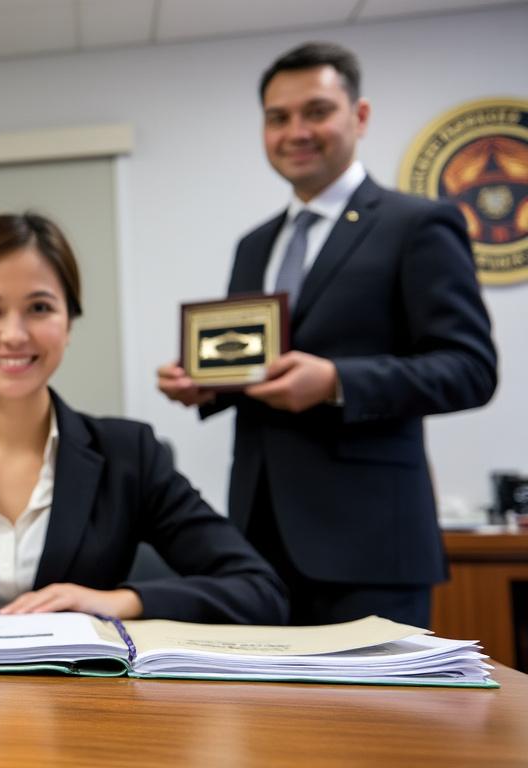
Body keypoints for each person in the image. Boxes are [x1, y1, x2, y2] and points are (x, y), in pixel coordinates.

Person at [157, 42, 497, 627]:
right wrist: (206, 386)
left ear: (359, 116)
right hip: (258, 542)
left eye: (316, 111)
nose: (296, 131)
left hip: (371, 548)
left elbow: (470, 368)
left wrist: (337, 381)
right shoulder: (255, 245)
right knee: (271, 719)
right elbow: (256, 367)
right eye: (277, 117)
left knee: (380, 721)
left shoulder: (416, 224)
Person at [0, 213, 287, 625]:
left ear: (69, 324)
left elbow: (258, 591)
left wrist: (116, 602)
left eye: (39, 308)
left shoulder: (128, 454)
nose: (15, 335)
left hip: (87, 701)